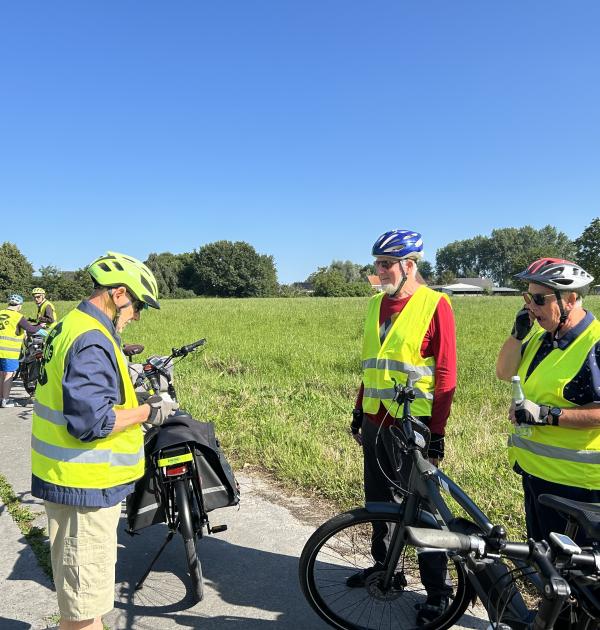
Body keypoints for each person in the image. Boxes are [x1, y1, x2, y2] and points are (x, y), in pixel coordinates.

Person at [31, 252, 179, 630]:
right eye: (138, 305)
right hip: (84, 490)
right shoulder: (93, 339)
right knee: (83, 615)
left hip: (71, 480)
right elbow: (92, 421)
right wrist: (151, 412)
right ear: (117, 294)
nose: (138, 315)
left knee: (82, 606)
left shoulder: (70, 324)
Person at [349, 229, 457, 625]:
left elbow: (446, 375)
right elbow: (371, 363)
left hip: (414, 426)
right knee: (378, 504)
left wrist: (438, 433)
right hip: (376, 421)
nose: (378, 271)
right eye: (376, 263)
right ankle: (386, 571)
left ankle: (437, 593)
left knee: (422, 511)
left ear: (409, 266)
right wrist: (360, 410)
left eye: (385, 264)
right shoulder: (375, 304)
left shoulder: (435, 304)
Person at [496, 257, 600, 546]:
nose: (531, 306)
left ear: (571, 299)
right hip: (536, 475)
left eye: (539, 299)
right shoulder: (542, 340)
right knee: (548, 567)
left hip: (578, 487)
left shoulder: (595, 343)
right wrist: (517, 335)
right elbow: (504, 372)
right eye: (528, 298)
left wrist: (545, 414)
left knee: (582, 579)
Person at [0, 294, 45, 407]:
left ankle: (1, 398)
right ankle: (5, 400)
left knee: (1, 374)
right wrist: (40, 325)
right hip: (8, 350)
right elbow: (31, 329)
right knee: (8, 375)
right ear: (19, 306)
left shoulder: (1, 313)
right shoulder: (17, 316)